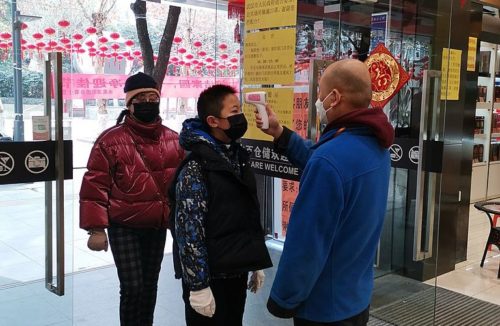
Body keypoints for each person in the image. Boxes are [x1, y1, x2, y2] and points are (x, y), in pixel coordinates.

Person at [256, 59, 394, 326]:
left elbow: (306, 243)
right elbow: (326, 163)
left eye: (320, 94)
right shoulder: (376, 147)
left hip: (322, 307)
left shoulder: (330, 161)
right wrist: (281, 133)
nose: (318, 102)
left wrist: (283, 299)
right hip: (355, 297)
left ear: (334, 97)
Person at [79, 72, 184, 326]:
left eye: (153, 97)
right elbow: (95, 184)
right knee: (133, 287)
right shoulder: (110, 140)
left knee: (149, 287)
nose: (149, 102)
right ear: (129, 104)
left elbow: (181, 185)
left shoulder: (173, 139)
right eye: (141, 98)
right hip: (123, 226)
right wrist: (96, 228)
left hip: (157, 226)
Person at [172, 84, 273, 326]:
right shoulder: (196, 167)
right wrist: (198, 285)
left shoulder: (236, 156)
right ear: (213, 121)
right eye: (235, 111)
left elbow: (246, 212)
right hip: (210, 277)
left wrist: (254, 260)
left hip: (235, 270)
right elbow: (189, 231)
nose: (241, 117)